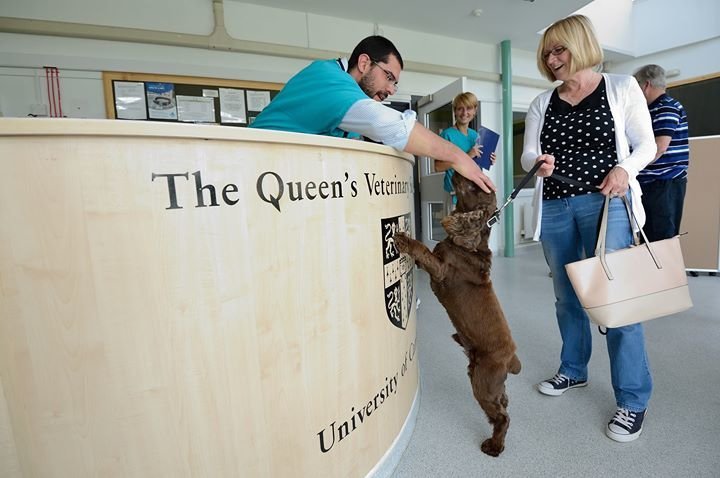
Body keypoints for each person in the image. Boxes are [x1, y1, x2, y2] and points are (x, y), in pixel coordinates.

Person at [520, 15, 656, 442]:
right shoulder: (544, 101)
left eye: (560, 50)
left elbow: (646, 144)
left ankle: (633, 400)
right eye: (547, 53)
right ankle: (573, 370)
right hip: (558, 206)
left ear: (580, 45)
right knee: (567, 297)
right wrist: (537, 163)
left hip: (607, 203)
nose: (553, 59)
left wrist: (623, 168)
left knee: (615, 301)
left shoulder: (620, 87)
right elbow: (527, 154)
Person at [250, 35, 495, 193]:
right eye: (389, 77)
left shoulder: (352, 105)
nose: (390, 89)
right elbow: (391, 126)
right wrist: (458, 156)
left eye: (395, 83)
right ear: (365, 63)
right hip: (253, 177)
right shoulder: (328, 78)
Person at [633, 64, 689, 241]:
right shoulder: (648, 109)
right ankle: (650, 269)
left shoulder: (666, 106)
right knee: (648, 237)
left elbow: (660, 146)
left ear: (646, 85)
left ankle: (663, 270)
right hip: (650, 183)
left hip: (664, 182)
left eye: (636, 86)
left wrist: (631, 167)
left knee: (662, 239)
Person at [435, 92, 496, 210]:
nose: (464, 113)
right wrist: (468, 155)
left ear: (475, 110)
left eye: (468, 108)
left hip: (473, 194)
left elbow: (475, 164)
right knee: (456, 228)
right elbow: (438, 166)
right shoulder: (447, 135)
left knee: (473, 228)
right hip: (455, 194)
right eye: (460, 109)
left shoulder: (475, 135)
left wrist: (489, 159)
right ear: (454, 111)